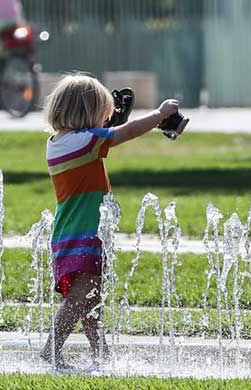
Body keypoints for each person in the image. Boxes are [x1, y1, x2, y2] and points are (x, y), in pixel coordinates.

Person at [40, 73, 181, 369]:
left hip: (70, 231)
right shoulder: (86, 140)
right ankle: (51, 349)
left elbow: (105, 136)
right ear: (87, 113)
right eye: (102, 113)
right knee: (82, 296)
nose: (107, 119)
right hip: (84, 232)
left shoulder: (59, 142)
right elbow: (125, 133)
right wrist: (160, 114)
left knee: (90, 298)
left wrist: (106, 124)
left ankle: (100, 356)